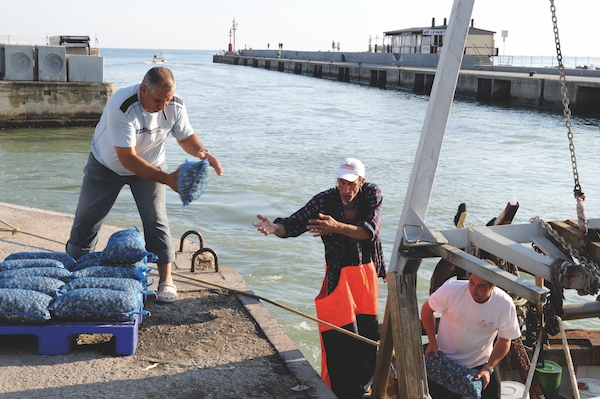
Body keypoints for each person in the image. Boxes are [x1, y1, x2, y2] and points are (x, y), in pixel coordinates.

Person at [66, 66, 223, 303]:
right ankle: (73, 272)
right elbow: (127, 158)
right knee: (86, 220)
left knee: (156, 219)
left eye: (167, 100)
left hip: (151, 164)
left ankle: (166, 281)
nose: (162, 107)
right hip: (106, 166)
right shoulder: (122, 106)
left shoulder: (175, 105)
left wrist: (202, 151)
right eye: (158, 100)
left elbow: (185, 136)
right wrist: (168, 179)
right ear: (143, 90)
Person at [253, 158, 385, 399]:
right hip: (337, 277)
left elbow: (369, 231)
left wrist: (336, 226)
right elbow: (294, 224)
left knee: (366, 336)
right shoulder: (325, 200)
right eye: (341, 183)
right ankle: (342, 392)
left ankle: (366, 387)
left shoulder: (371, 194)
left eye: (350, 184)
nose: (345, 189)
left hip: (366, 275)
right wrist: (275, 229)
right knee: (338, 338)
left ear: (361, 182)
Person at [421, 268, 521, 399]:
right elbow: (427, 309)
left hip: (481, 364)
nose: (474, 289)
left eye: (481, 286)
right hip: (445, 361)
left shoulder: (504, 304)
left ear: (493, 285)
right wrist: (432, 342)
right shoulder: (451, 291)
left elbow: (505, 340)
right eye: (471, 282)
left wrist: (488, 368)